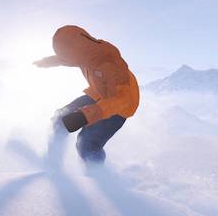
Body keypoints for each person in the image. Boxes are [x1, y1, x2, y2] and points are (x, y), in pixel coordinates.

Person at [34, 25, 139, 165]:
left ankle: (99, 175)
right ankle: (52, 163)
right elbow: (66, 59)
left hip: (120, 105)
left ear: (78, 50)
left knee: (86, 143)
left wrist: (85, 115)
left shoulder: (109, 63)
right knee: (60, 118)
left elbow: (122, 99)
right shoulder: (81, 54)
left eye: (66, 55)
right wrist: (48, 61)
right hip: (98, 93)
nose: (67, 59)